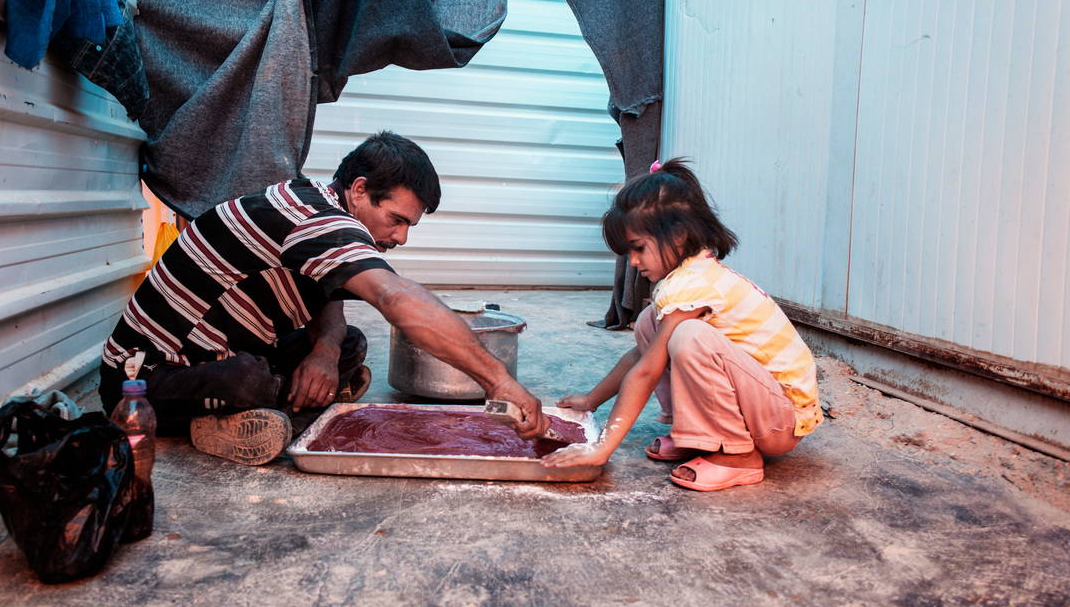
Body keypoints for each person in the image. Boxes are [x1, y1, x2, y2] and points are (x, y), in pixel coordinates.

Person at [100, 131, 550, 465]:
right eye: (395, 219)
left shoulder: (320, 208)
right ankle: (245, 416)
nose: (401, 237)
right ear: (358, 190)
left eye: (410, 225)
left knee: (346, 341)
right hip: (143, 378)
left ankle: (283, 403)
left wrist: (325, 350)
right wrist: (497, 380)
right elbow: (394, 298)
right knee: (249, 379)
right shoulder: (311, 218)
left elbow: (329, 293)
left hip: (231, 351)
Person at [541, 158, 823, 490]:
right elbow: (641, 357)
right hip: (763, 406)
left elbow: (646, 373)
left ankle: (738, 457)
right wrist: (592, 400)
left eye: (638, 249)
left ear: (677, 235)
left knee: (689, 337)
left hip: (781, 421)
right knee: (650, 323)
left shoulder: (692, 284)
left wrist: (602, 447)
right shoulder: (685, 277)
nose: (633, 262)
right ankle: (701, 437)